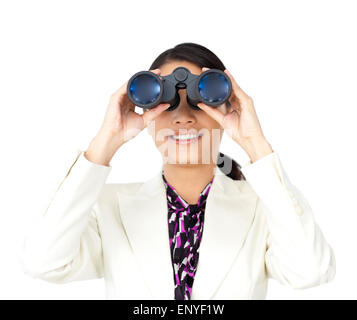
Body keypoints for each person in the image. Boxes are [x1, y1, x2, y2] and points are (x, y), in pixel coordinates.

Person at [21, 42, 335, 300]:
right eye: (168, 102)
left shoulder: (264, 208)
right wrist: (106, 140)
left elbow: (312, 271)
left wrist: (254, 142)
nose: (183, 118)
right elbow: (43, 263)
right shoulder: (107, 206)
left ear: (228, 106)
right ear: (145, 111)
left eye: (199, 102)